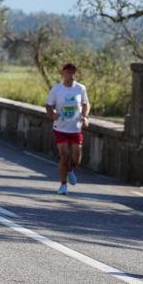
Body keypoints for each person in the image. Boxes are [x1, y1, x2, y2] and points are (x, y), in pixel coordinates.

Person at [45, 62, 90, 195]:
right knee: (64, 155)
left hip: (75, 129)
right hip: (60, 128)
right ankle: (63, 185)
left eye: (74, 72)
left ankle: (70, 170)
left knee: (76, 159)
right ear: (63, 73)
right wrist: (52, 114)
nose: (72, 75)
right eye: (69, 72)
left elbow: (86, 104)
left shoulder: (80, 88)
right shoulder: (56, 89)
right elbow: (48, 105)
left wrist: (85, 117)